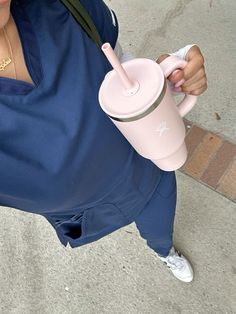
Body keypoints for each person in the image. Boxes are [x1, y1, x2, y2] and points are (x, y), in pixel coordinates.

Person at [0, 0, 207, 283]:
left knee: (159, 228)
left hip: (144, 166)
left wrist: (161, 79)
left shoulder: (64, 5)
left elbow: (118, 66)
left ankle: (163, 251)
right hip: (87, 214)